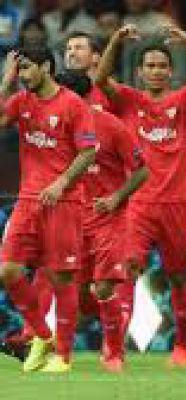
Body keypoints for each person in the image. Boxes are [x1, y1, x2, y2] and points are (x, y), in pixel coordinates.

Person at [95, 23, 186, 366]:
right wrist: (115, 41)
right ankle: (115, 351)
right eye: (150, 66)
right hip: (138, 202)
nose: (156, 71)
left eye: (162, 66)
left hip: (177, 203)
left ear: (171, 71)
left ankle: (182, 347)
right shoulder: (129, 101)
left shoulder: (183, 101)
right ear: (139, 72)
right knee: (128, 271)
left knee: (179, 277)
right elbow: (101, 80)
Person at [0, 46, 97, 372]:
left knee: (61, 278)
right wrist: (6, 81)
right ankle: (43, 336)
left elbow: (88, 152)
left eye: (27, 68)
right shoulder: (21, 101)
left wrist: (61, 183)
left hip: (64, 201)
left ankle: (63, 356)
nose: (23, 75)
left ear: (46, 66)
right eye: (19, 69)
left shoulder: (73, 104)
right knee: (8, 271)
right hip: (28, 200)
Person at [55, 69, 148, 372]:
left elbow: (142, 170)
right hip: (71, 217)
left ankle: (114, 354)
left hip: (107, 217)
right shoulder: (55, 128)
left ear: (80, 97)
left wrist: (117, 197)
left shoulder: (111, 125)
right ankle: (61, 353)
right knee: (80, 294)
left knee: (105, 287)